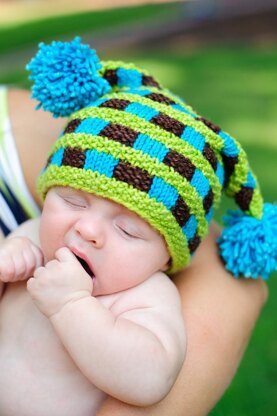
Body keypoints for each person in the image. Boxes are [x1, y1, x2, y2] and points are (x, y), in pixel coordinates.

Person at [0, 36, 270, 415]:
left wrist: (71, 306)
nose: (89, 230)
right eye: (73, 201)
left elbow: (150, 382)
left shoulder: (147, 299)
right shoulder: (31, 237)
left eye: (128, 230)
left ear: (166, 258)